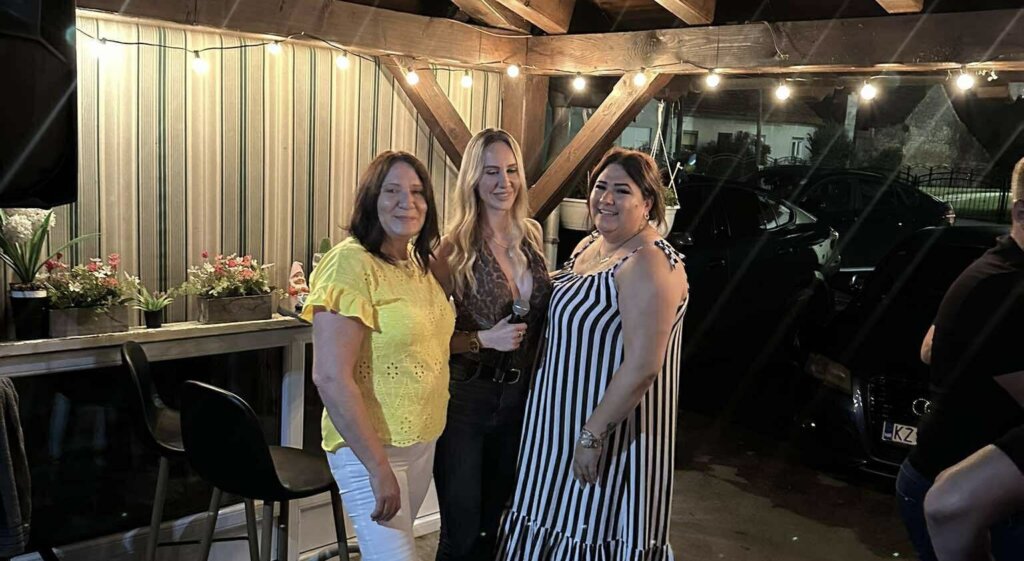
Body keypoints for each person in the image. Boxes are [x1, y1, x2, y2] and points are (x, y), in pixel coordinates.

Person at [497, 147, 689, 561]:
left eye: (622, 190)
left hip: (609, 434)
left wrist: (592, 434)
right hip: (554, 425)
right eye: (601, 187)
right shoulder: (592, 246)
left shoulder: (650, 262)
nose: (606, 198)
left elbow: (644, 365)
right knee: (548, 521)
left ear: (647, 202)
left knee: (588, 530)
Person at [303, 151, 454, 560]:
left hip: (421, 442)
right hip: (370, 449)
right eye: (393, 191)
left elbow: (426, 343)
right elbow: (330, 377)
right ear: (372, 198)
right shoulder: (349, 263)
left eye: (417, 192)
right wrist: (377, 467)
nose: (408, 202)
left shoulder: (418, 264)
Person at [429, 128, 553, 560]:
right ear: (473, 180)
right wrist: (483, 339)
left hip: (520, 399)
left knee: (494, 528)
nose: (504, 182)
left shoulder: (531, 235)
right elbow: (425, 340)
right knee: (461, 532)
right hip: (466, 398)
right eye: (491, 172)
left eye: (511, 170)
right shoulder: (452, 248)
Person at [898, 156, 1024, 561]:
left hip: (960, 486)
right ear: (1021, 212)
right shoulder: (1005, 288)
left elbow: (928, 347)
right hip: (960, 500)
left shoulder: (997, 266)